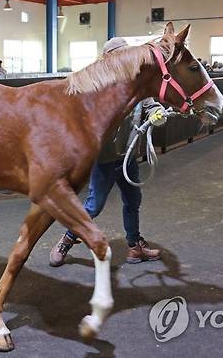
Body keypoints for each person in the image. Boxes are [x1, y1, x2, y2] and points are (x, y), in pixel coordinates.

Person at [49, 37, 161, 267]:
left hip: (128, 156)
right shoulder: (99, 88)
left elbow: (151, 104)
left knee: (133, 200)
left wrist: (156, 113)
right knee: (94, 206)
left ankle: (134, 247)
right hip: (106, 158)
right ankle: (67, 239)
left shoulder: (137, 86)